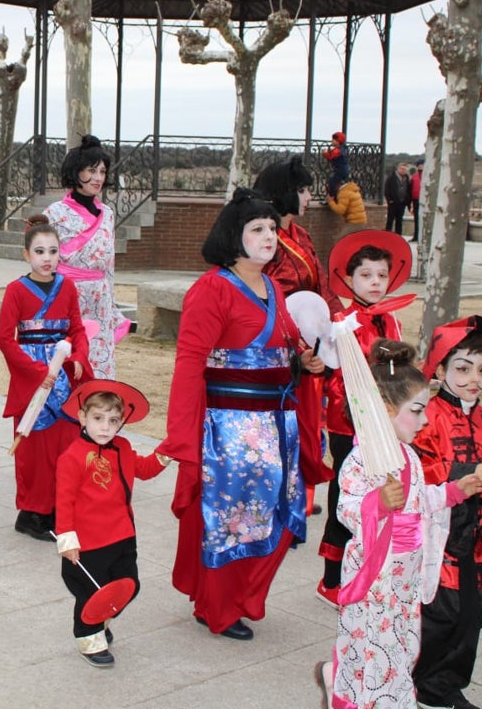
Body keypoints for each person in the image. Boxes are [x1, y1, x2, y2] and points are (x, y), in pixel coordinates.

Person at [157, 189, 323, 641]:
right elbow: (190, 363)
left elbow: (285, 346)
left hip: (276, 423)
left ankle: (237, 597)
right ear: (235, 236)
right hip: (231, 428)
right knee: (232, 519)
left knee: (271, 515)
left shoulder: (272, 287)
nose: (270, 236)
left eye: (272, 228)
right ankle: (218, 606)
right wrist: (184, 434)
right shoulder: (210, 289)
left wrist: (304, 362)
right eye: (257, 229)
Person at [316, 340, 482, 709]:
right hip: (374, 580)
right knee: (372, 652)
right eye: (417, 410)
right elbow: (347, 508)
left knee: (400, 648)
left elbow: (419, 502)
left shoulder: (407, 455)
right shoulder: (363, 459)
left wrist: (456, 491)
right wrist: (376, 503)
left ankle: (369, 694)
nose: (425, 419)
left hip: (404, 582)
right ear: (383, 409)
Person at [411, 316, 482, 709]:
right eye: (462, 368)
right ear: (440, 369)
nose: (475, 378)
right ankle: (424, 682)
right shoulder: (425, 418)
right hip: (438, 535)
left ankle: (447, 685)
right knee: (438, 613)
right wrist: (466, 476)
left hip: (477, 536)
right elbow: (420, 470)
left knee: (468, 616)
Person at [317, 230, 413, 608]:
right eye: (366, 275)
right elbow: (330, 373)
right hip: (348, 422)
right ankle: (329, 579)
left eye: (381, 275)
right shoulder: (341, 322)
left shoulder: (391, 320)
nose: (375, 282)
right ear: (349, 279)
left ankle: (366, 569)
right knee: (346, 496)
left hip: (385, 423)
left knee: (380, 496)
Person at [55, 380, 168, 668]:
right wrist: (67, 540)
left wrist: (167, 452)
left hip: (122, 535)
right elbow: (64, 501)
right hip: (88, 542)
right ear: (82, 417)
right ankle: (89, 638)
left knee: (128, 584)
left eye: (113, 420)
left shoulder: (123, 446)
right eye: (97, 418)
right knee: (90, 592)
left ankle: (101, 618)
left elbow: (142, 469)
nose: (105, 427)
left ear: (122, 422)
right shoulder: (72, 457)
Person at [254, 156, 340, 515]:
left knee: (309, 423)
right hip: (280, 344)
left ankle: (300, 499)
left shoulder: (300, 235)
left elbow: (321, 283)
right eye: (303, 189)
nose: (309, 197)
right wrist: (297, 344)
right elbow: (263, 295)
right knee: (282, 426)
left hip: (311, 342)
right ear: (284, 192)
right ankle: (280, 501)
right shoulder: (264, 235)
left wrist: (336, 323)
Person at [0, 214, 90, 540]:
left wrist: (78, 356)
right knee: (34, 448)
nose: (47, 258)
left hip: (63, 378)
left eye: (53, 251)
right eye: (39, 252)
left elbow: (77, 328)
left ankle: (57, 508)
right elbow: (5, 340)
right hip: (32, 377)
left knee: (65, 444)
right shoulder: (15, 291)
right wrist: (37, 371)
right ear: (26, 255)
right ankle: (31, 514)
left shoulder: (67, 287)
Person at [44, 135, 133, 380]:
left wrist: (113, 306)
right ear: (75, 172)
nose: (98, 178)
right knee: (67, 360)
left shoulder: (108, 214)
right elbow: (43, 264)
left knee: (99, 364)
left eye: (102, 172)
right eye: (91, 170)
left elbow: (109, 266)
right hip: (66, 295)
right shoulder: (54, 213)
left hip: (100, 299)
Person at [384, 162, 411, 235]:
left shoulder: (407, 179)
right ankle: (387, 236)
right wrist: (389, 200)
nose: (403, 171)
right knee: (390, 220)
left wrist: (407, 201)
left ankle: (398, 236)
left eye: (404, 169)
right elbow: (387, 190)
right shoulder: (391, 178)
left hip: (402, 203)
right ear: (398, 169)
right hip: (393, 203)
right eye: (401, 169)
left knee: (399, 221)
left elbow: (408, 190)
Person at [410, 159, 424, 242]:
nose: (421, 166)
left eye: (422, 164)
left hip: (425, 201)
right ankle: (416, 236)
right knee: (416, 219)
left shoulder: (428, 175)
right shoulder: (414, 177)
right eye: (419, 165)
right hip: (416, 200)